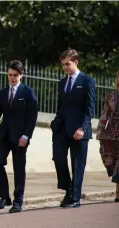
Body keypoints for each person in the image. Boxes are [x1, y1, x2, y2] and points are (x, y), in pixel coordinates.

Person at [51, 49, 96, 208]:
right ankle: (68, 188)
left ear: (76, 62)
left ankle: (75, 198)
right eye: (63, 65)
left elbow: (90, 108)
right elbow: (60, 106)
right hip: (62, 128)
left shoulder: (87, 81)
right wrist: (56, 122)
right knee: (58, 158)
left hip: (79, 130)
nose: (65, 68)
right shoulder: (62, 82)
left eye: (67, 64)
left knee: (77, 164)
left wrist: (82, 128)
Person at [0, 60, 38, 213]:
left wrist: (26, 136)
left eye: (15, 75)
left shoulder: (27, 92)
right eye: (10, 75)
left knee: (19, 169)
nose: (12, 78)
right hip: (4, 134)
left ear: (21, 75)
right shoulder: (3, 92)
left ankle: (18, 201)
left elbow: (32, 117)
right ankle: (4, 196)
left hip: (20, 137)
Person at [96, 71, 119, 202]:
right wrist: (100, 130)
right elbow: (104, 114)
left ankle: (118, 193)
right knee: (110, 160)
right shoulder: (111, 95)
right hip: (110, 133)